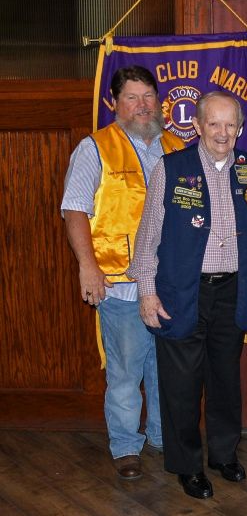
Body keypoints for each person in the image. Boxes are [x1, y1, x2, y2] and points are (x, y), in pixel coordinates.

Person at [128, 91, 247, 499]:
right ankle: (187, 466)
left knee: (225, 379)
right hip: (182, 290)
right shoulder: (171, 168)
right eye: (213, 123)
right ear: (196, 126)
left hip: (233, 290)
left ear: (240, 129)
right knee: (181, 384)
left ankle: (224, 455)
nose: (222, 132)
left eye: (230, 124)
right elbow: (148, 236)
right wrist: (146, 291)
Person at [61, 65, 184, 481]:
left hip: (170, 284)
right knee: (127, 371)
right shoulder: (95, 148)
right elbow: (74, 209)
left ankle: (163, 438)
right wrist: (87, 267)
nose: (142, 105)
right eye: (132, 97)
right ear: (114, 103)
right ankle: (127, 446)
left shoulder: (178, 147)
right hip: (121, 284)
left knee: (166, 371)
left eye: (148, 96)